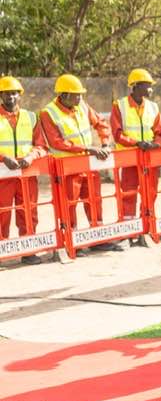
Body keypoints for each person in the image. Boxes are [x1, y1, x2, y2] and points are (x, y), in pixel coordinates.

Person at [39, 74, 122, 254]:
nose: (80, 98)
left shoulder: (82, 105)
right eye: (76, 95)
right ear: (64, 95)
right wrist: (89, 148)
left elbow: (101, 123)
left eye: (80, 94)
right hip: (67, 168)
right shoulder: (48, 112)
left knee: (95, 201)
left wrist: (105, 143)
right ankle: (72, 242)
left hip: (88, 164)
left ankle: (98, 238)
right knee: (69, 204)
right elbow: (57, 142)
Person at [0, 76, 47, 263]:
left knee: (28, 211)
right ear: (1, 95)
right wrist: (3, 158)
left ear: (19, 95)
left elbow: (41, 145)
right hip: (3, 174)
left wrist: (30, 156)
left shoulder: (31, 117)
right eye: (6, 93)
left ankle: (28, 251)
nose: (10, 97)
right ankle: (2, 251)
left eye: (14, 93)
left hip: (26, 174)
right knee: (2, 212)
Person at [111, 68, 161, 227]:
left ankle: (146, 226)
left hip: (149, 159)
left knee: (150, 192)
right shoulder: (119, 106)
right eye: (147, 85)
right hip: (129, 158)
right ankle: (129, 229)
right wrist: (136, 143)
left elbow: (160, 132)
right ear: (135, 86)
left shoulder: (153, 107)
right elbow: (117, 134)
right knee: (129, 193)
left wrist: (156, 145)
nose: (150, 89)